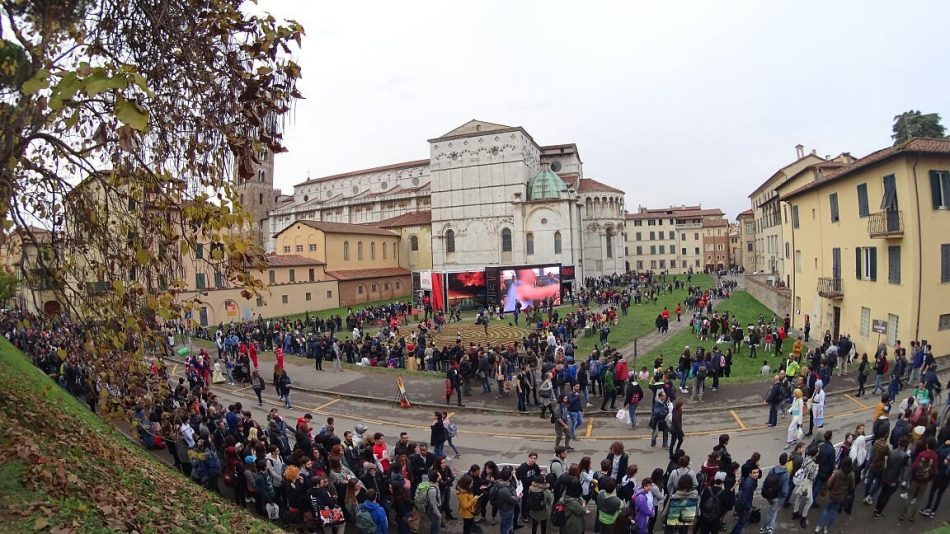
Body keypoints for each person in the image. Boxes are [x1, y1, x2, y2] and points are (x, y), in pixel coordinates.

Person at [814, 457, 855, 534]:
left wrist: (828, 489)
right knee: (834, 512)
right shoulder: (851, 475)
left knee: (826, 510)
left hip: (832, 495)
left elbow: (829, 484)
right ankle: (826, 528)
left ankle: (819, 526)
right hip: (841, 497)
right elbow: (852, 487)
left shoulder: (837, 473)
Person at [761, 453, 789, 534]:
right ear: (786, 461)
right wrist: (782, 499)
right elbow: (784, 490)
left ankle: (767, 528)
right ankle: (767, 529)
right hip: (777, 496)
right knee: (772, 513)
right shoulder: (785, 474)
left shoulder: (772, 469)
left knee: (772, 510)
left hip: (769, 494)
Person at [791, 447, 819, 528]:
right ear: (816, 453)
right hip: (807, 483)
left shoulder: (806, 458)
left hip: (801, 480)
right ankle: (803, 517)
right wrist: (817, 470)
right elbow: (812, 477)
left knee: (799, 497)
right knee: (810, 501)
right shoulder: (814, 465)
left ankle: (795, 512)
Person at [730, 466, 759, 534]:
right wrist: (749, 508)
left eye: (757, 472)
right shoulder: (749, 484)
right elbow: (744, 500)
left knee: (741, 523)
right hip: (744, 508)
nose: (756, 474)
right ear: (750, 474)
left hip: (742, 505)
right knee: (741, 524)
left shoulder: (749, 480)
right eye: (754, 473)